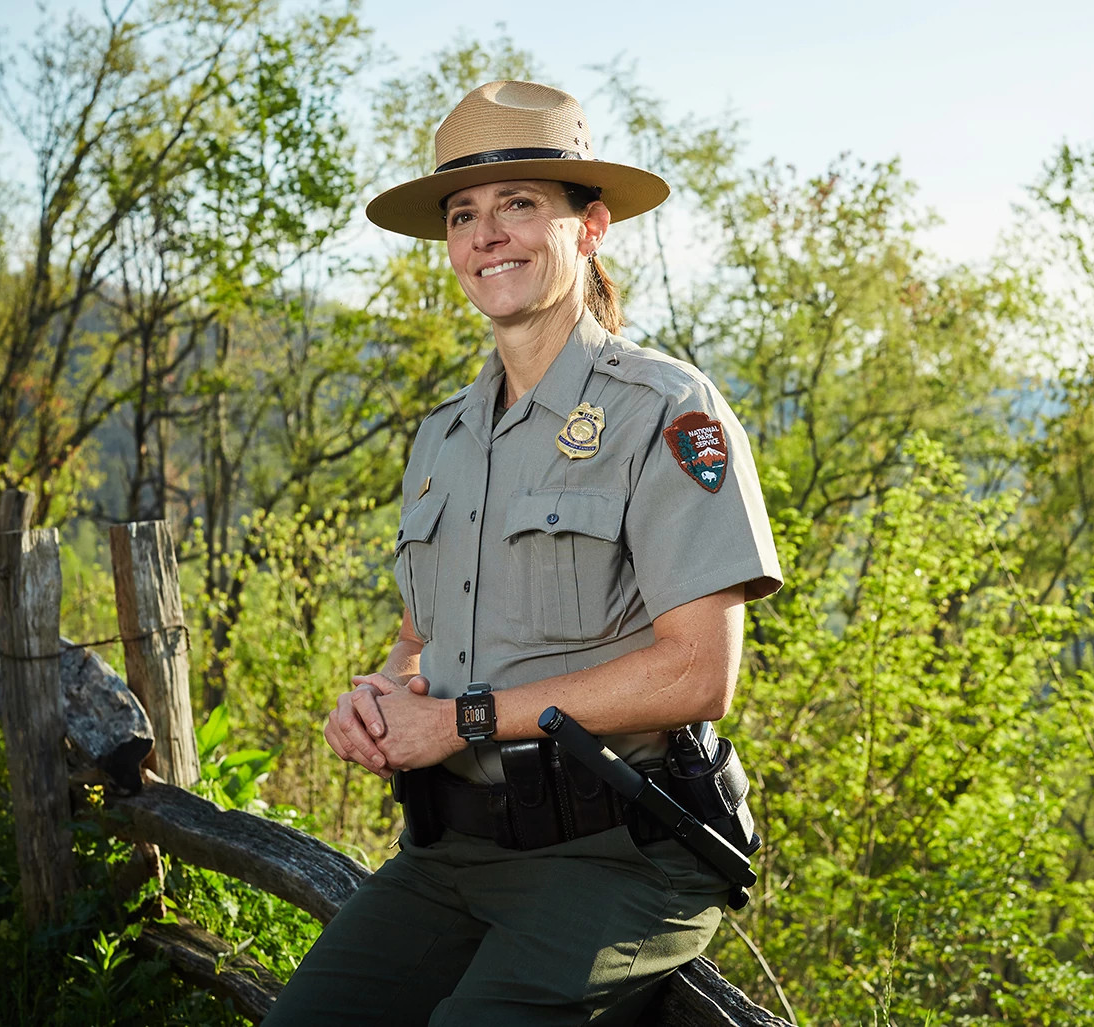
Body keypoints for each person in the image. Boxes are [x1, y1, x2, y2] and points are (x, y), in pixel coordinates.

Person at [262, 80, 781, 1026]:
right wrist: (383, 703)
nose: (486, 234)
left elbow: (700, 674)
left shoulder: (665, 409)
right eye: (464, 214)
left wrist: (460, 721)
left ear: (590, 228)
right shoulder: (445, 436)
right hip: (454, 851)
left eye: (518, 206)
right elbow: (421, 637)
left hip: (619, 851)